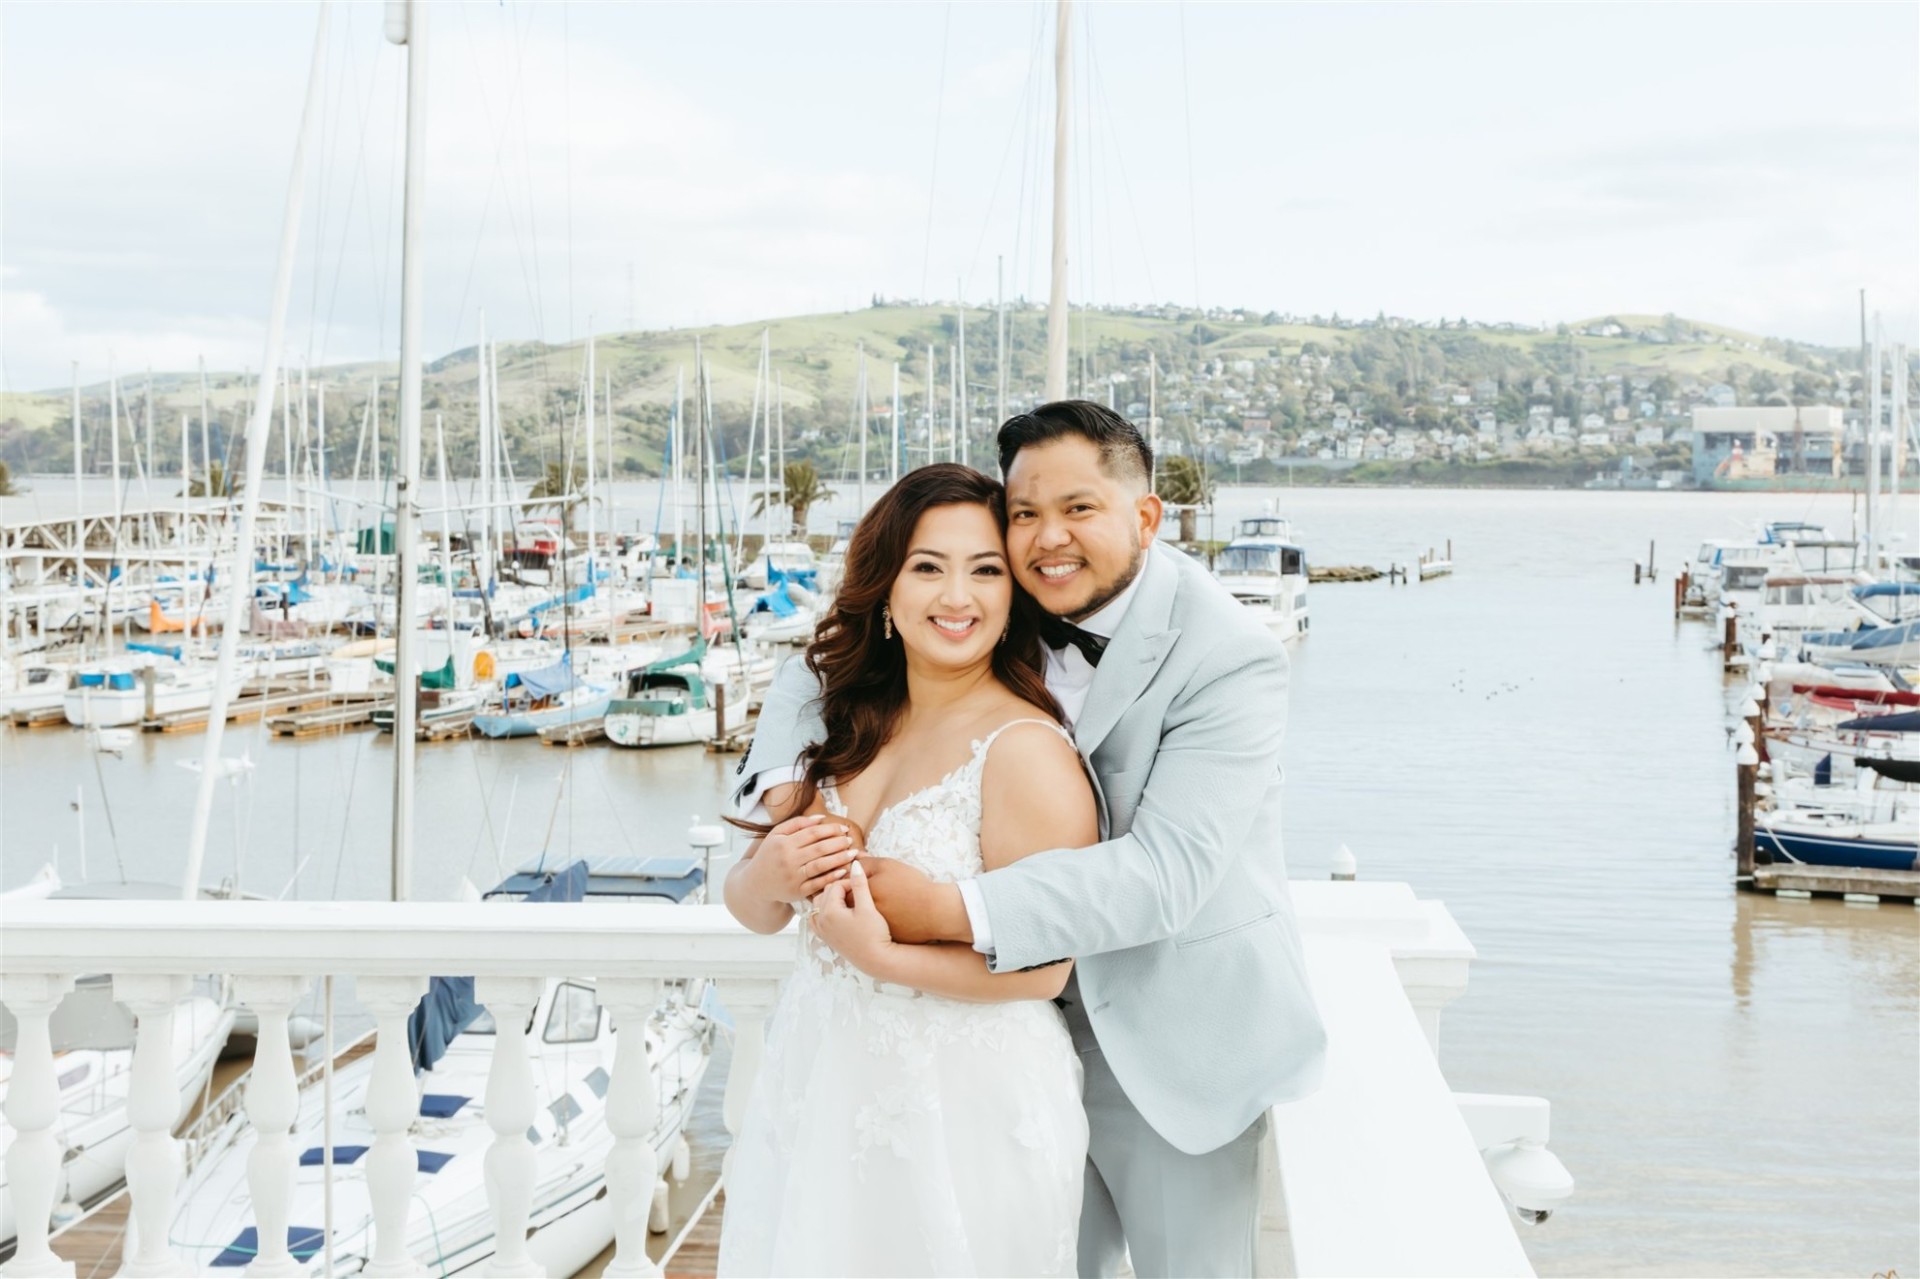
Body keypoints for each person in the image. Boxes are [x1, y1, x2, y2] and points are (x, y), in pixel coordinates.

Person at [735, 401, 1326, 1278]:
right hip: (987, 1054)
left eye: (1079, 509)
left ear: (1146, 515)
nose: (1047, 538)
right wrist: (776, 795)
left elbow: (1164, 876)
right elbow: (818, 666)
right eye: (1025, 513)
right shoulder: (994, 604)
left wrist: (939, 906)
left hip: (1166, 1046)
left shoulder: (1228, 654)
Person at [718, 463, 1098, 1277]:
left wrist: (882, 957)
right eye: (928, 566)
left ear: (1013, 594)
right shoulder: (843, 719)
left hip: (964, 1105)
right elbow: (753, 906)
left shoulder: (1024, 750)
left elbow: (1048, 967)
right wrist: (769, 873)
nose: (956, 596)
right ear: (885, 588)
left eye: (985, 569)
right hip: (819, 1078)